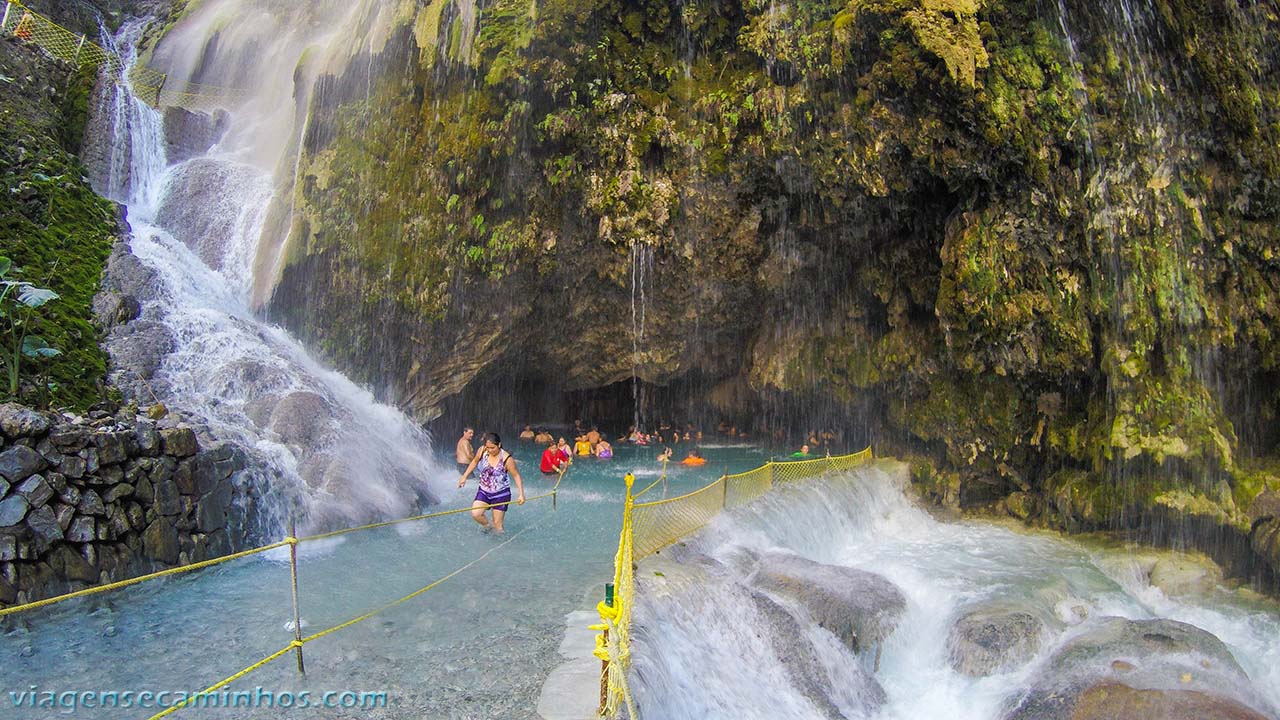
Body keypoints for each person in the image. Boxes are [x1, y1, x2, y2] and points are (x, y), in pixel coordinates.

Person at [458, 432, 525, 532]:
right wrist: (464, 477)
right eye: (487, 447)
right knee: (476, 514)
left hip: (501, 494)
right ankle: (489, 526)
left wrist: (521, 494)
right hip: (484, 491)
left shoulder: (507, 459)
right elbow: (475, 462)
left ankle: (500, 542)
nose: (490, 450)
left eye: (492, 448)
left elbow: (516, 475)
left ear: (499, 445)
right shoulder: (482, 451)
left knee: (498, 526)